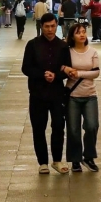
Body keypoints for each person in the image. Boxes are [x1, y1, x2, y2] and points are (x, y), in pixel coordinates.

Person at [21, 13, 72, 174]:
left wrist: (56, 75)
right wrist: (42, 74)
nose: (50, 29)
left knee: (58, 126)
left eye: (53, 26)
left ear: (56, 25)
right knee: (38, 127)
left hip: (57, 93)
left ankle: (57, 160)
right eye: (47, 26)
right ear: (41, 27)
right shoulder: (32, 45)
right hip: (37, 93)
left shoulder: (63, 46)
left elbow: (68, 68)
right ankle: (42, 162)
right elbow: (26, 68)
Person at [62, 22, 100, 172]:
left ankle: (89, 156)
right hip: (72, 95)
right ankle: (75, 160)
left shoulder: (92, 52)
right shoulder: (68, 52)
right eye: (78, 32)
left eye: (84, 31)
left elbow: (96, 72)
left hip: (90, 95)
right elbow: (60, 66)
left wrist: (78, 73)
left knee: (92, 126)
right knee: (73, 129)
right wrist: (66, 69)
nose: (82, 35)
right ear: (72, 36)